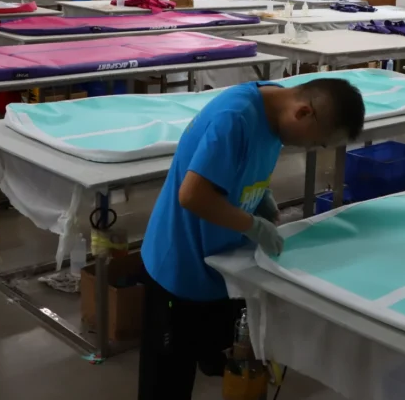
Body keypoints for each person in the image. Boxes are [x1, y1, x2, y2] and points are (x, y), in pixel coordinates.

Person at [138, 78, 366, 400]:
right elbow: (191, 196)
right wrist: (252, 225)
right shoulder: (235, 119)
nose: (310, 149)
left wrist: (260, 195)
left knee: (227, 359)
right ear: (303, 113)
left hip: (222, 263)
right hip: (180, 268)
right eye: (316, 142)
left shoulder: (275, 114)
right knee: (168, 384)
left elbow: (241, 164)